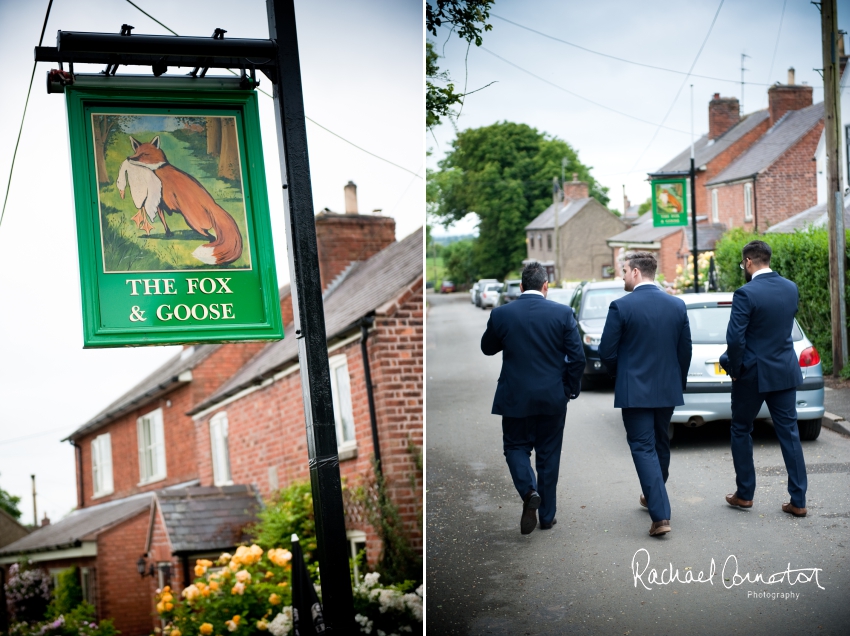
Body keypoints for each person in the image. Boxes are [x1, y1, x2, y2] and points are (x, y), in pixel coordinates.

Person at [481, 262, 585, 534]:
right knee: (549, 455)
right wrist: (569, 388)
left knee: (515, 447)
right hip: (553, 397)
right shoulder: (563, 313)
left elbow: (487, 348)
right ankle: (547, 516)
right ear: (545, 286)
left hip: (514, 397)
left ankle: (529, 492)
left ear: (522, 286)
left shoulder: (502, 314)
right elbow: (577, 358)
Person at [598, 252, 691, 537]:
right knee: (659, 444)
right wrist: (679, 382)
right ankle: (653, 495)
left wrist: (620, 375)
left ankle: (660, 515)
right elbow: (684, 351)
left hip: (634, 389)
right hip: (667, 388)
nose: (622, 276)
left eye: (624, 270)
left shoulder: (621, 307)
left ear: (636, 272)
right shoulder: (676, 305)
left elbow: (606, 352)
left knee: (642, 447)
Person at [720, 240, 808, 517]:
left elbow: (735, 339)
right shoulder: (790, 287)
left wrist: (734, 369)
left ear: (748, 262)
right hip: (784, 371)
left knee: (741, 429)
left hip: (752, 375)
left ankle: (745, 495)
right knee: (790, 434)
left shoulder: (746, 293)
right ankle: (799, 501)